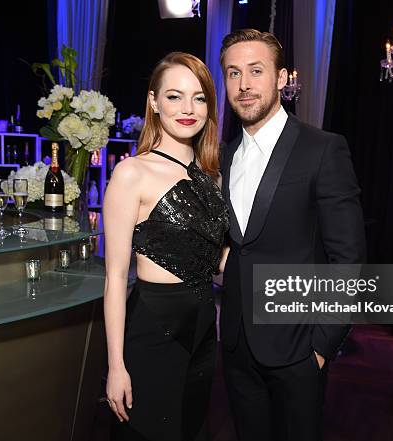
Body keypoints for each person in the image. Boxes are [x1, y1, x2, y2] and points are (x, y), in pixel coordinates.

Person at [219, 29, 366, 441]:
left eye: (255, 71)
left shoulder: (323, 149)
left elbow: (349, 259)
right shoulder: (225, 156)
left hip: (299, 349)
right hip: (234, 344)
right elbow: (239, 244)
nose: (244, 85)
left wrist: (321, 347)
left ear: (281, 78)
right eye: (233, 73)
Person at [103, 52, 229, 441]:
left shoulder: (214, 178)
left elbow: (218, 260)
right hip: (152, 330)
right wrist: (116, 365)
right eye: (174, 97)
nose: (188, 109)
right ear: (154, 102)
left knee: (190, 429)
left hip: (204, 333)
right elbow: (113, 278)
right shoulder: (131, 173)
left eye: (199, 97)